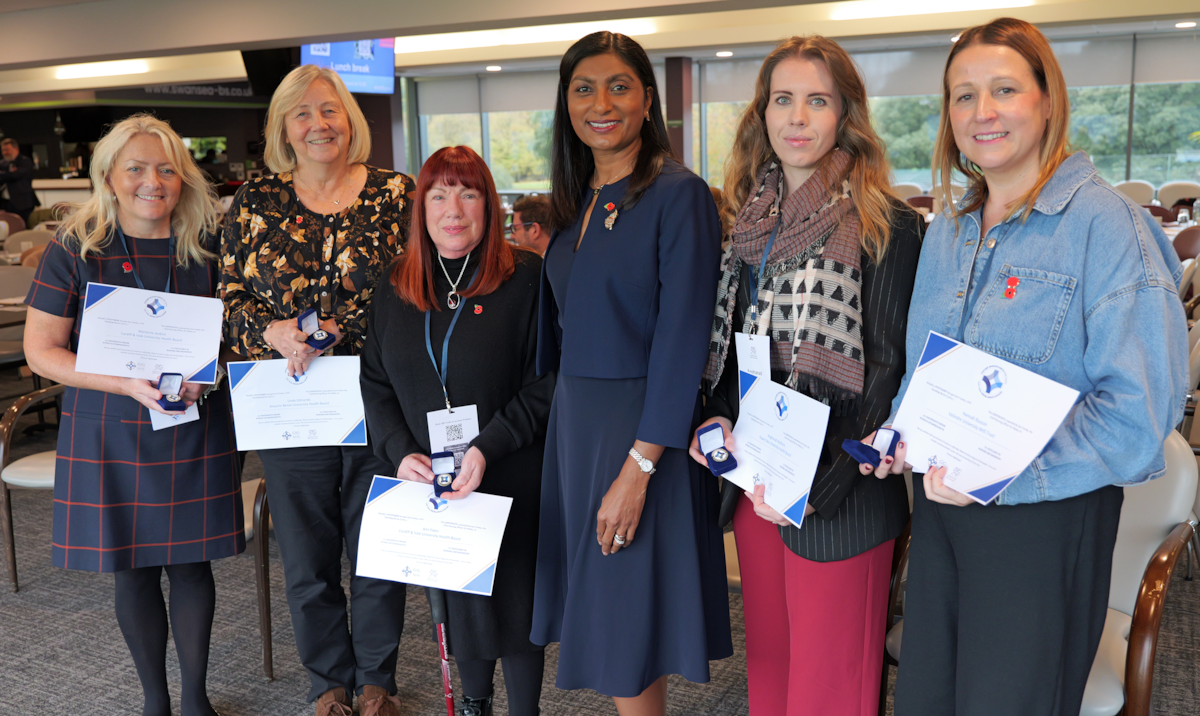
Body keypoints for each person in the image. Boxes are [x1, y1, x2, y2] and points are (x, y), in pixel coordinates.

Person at [864, 18, 1187, 716]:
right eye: (963, 96)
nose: (982, 113)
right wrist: (899, 432)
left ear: (1047, 100)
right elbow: (931, 373)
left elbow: (1139, 419)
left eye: (1004, 89)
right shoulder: (949, 228)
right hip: (945, 516)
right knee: (927, 699)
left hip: (1044, 523)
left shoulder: (1107, 228)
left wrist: (1003, 476)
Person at [690, 36, 923, 716]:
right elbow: (733, 352)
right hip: (760, 477)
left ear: (844, 113)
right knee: (771, 674)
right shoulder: (746, 227)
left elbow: (885, 374)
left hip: (836, 494)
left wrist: (818, 486)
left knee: (828, 692)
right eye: (783, 100)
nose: (797, 118)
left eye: (817, 101)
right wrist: (717, 414)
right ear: (761, 113)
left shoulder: (887, 224)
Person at [530, 31, 733, 715]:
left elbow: (684, 342)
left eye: (619, 85)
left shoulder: (679, 197)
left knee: (628, 630)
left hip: (641, 434)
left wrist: (639, 468)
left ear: (647, 100)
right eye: (583, 88)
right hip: (577, 431)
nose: (601, 102)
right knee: (612, 623)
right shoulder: (573, 200)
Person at [23, 113, 241, 716]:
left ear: (184, 177)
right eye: (137, 168)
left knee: (193, 567)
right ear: (110, 177)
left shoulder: (208, 244)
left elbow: (237, 335)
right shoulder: (76, 245)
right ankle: (155, 701)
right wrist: (123, 383)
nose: (154, 181)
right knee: (134, 571)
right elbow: (40, 349)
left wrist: (211, 375)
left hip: (193, 421)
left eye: (167, 168)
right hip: (109, 425)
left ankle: (195, 700)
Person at [219, 65, 415, 716]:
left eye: (329, 111)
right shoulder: (253, 201)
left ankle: (377, 683)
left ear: (350, 119)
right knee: (306, 556)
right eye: (301, 114)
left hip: (378, 398)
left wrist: (342, 327)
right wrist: (271, 330)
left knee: (379, 548)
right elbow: (228, 297)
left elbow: (416, 288)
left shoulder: (396, 195)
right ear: (282, 127)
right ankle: (328, 683)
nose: (318, 124)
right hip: (289, 403)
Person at [360, 145, 553, 716]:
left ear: (489, 206)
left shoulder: (525, 280)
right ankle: (474, 704)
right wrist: (398, 453)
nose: (453, 209)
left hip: (510, 466)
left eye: (468, 193)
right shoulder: (394, 285)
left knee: (515, 601)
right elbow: (374, 384)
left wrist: (488, 447)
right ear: (421, 207)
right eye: (439, 194)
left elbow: (547, 382)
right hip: (430, 479)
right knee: (458, 590)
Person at [0, 138, 40, 225]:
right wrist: (9, 173)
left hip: (23, 204)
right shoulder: (3, 163)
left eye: (7, 150)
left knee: (25, 227)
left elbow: (16, 175)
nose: (5, 152)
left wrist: (6, 174)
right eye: (3, 150)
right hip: (6, 204)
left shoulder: (25, 161)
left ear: (16, 149)